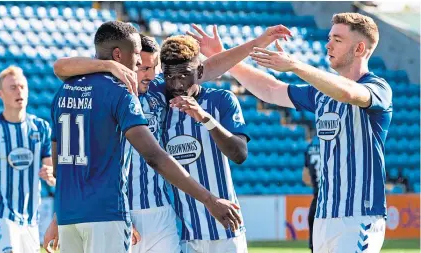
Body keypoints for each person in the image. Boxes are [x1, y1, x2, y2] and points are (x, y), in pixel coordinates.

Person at [48, 24, 292, 253]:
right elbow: (61, 67)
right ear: (125, 63)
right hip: (119, 209)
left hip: (161, 212)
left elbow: (205, 69)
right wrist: (108, 67)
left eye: (152, 68)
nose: (148, 73)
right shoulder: (111, 93)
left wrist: (256, 43)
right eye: (141, 66)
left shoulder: (157, 91)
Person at [192, 12, 392, 253]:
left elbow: (349, 94)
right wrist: (221, 57)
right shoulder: (320, 94)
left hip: (361, 215)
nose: (328, 44)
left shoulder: (378, 88)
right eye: (329, 38)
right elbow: (270, 89)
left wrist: (295, 65)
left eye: (337, 40)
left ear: (360, 48)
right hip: (324, 216)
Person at [161, 35, 250, 253]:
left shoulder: (221, 101)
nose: (177, 84)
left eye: (184, 75)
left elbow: (239, 154)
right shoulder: (158, 106)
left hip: (226, 231)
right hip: (181, 235)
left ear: (200, 71)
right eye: (169, 76)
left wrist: (205, 118)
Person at [0, 66, 56, 253]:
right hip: (0, 214)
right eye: (13, 87)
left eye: (22, 86)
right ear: (0, 94)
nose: (19, 91)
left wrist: (51, 175)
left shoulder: (41, 128)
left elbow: (52, 174)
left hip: (31, 218)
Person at [302, 135, 321, 252]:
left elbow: (305, 178)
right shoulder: (334, 142)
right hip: (334, 205)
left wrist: (316, 183)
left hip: (316, 204)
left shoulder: (310, 147)